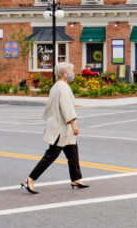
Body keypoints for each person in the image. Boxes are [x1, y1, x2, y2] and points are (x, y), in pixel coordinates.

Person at [21, 62, 88, 193]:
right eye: (70, 70)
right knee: (51, 155)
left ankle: (76, 178)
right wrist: (74, 124)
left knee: (72, 151)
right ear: (64, 73)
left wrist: (48, 124)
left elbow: (49, 108)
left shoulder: (56, 86)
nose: (72, 73)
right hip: (62, 128)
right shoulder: (63, 88)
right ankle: (30, 178)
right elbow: (66, 108)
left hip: (61, 127)